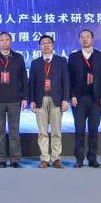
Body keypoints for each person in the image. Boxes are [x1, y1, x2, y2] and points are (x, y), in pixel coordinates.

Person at [68, 29, 101, 168]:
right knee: (79, 129)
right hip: (79, 99)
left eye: (87, 36)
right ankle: (79, 159)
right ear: (79, 40)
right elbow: (69, 79)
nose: (85, 39)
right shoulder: (73, 57)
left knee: (93, 129)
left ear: (92, 39)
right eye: (82, 37)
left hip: (96, 100)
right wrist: (71, 95)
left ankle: (92, 158)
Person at [0, 31, 28, 168]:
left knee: (14, 131)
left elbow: (24, 79)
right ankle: (1, 159)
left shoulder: (18, 58)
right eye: (2, 40)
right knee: (0, 131)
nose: (4, 42)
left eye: (7, 40)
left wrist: (25, 97)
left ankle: (15, 159)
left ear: (11, 41)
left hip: (15, 99)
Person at [29, 35, 70, 168]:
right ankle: (45, 159)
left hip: (56, 99)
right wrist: (32, 100)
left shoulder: (61, 61)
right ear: (40, 46)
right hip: (40, 99)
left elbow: (66, 81)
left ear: (52, 45)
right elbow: (31, 83)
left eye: (48, 43)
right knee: (42, 131)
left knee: (56, 131)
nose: (46, 45)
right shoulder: (35, 63)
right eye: (43, 43)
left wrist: (65, 99)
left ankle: (56, 158)